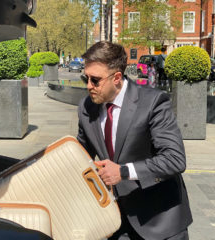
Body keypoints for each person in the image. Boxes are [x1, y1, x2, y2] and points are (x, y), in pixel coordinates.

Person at [77, 41, 192, 240]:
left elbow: (175, 159)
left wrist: (122, 171)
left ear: (117, 78)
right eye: (85, 78)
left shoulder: (153, 102)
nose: (89, 86)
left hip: (160, 222)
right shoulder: (87, 107)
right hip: (116, 222)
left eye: (95, 80)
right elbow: (79, 154)